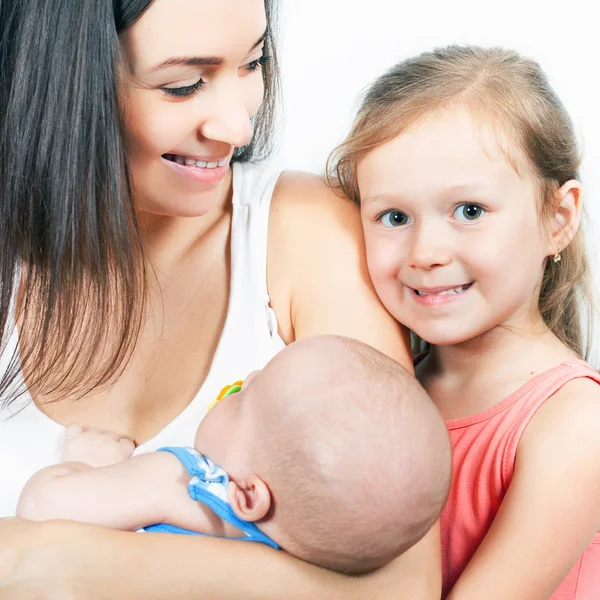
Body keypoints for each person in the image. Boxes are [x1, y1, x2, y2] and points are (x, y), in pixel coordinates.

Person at [0, 1, 443, 599]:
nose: (238, 128)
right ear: (62, 80)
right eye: (183, 86)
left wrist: (49, 557)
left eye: (253, 63)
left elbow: (400, 587)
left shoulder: (301, 231)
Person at [328, 45, 600, 599]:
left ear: (558, 217)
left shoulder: (576, 423)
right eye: (394, 217)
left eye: (469, 211)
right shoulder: (390, 388)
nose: (426, 251)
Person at [17, 335, 452, 575]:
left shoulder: (188, 485)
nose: (246, 377)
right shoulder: (309, 551)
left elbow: (41, 509)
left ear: (246, 495)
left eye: (246, 397)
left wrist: (85, 465)